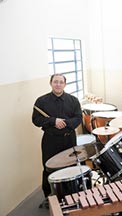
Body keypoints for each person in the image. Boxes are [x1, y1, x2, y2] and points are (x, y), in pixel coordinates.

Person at [32, 74, 82, 207]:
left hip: (69, 139)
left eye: (61, 82)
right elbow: (36, 120)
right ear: (51, 83)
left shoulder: (73, 100)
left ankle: (71, 196)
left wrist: (65, 123)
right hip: (50, 140)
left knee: (71, 167)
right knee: (48, 168)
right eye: (55, 82)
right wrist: (53, 121)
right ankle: (49, 197)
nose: (58, 84)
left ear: (65, 84)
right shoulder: (41, 101)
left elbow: (78, 118)